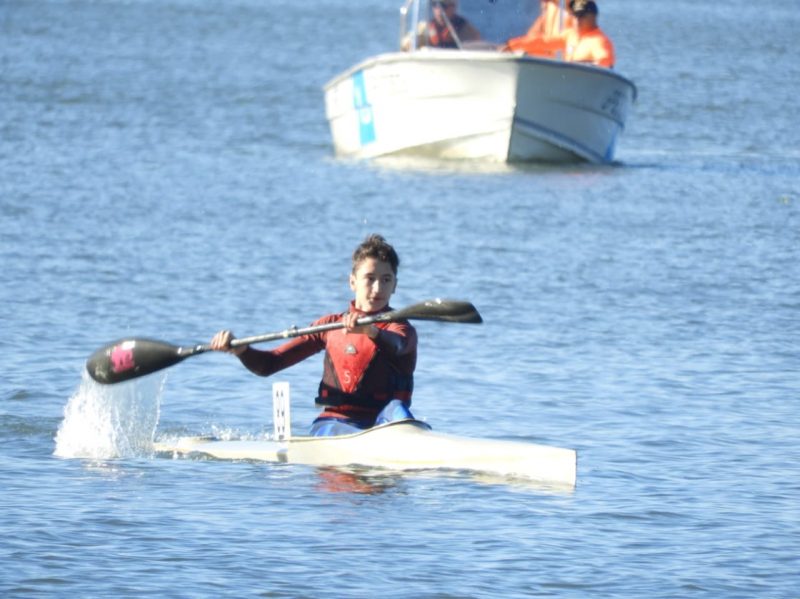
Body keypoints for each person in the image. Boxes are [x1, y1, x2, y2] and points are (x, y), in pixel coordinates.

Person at [209, 234, 418, 437]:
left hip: (385, 422)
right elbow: (269, 365)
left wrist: (370, 331)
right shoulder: (329, 326)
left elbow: (397, 346)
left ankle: (411, 439)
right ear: (352, 282)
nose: (377, 288)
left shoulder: (400, 328)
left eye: (386, 279)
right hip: (335, 422)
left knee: (398, 409)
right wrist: (242, 351)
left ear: (395, 286)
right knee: (338, 429)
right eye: (369, 279)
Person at [505, 0, 615, 69]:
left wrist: (587, 66)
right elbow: (544, 42)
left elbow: (605, 61)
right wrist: (512, 45)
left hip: (588, 81)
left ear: (593, 17)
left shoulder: (600, 40)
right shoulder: (570, 35)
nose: (577, 20)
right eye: (575, 16)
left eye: (581, 16)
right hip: (569, 81)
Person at [503, 0, 576, 58]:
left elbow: (578, 8)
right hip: (552, 60)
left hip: (573, 60)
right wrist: (514, 45)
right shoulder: (550, 7)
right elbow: (534, 36)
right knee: (521, 52)